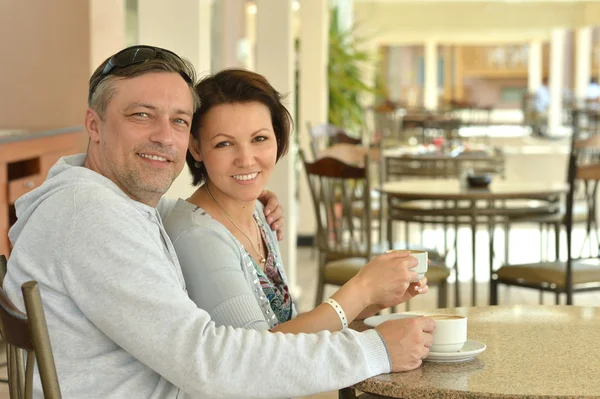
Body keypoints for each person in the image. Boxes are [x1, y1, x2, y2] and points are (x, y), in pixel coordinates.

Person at [3, 45, 434, 398]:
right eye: (141, 115)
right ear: (94, 124)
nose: (163, 136)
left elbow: (161, 217)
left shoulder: (97, 201)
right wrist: (373, 350)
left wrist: (241, 199)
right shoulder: (92, 218)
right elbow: (209, 363)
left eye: (179, 121)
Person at [164, 68, 429, 334]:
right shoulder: (197, 235)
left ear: (278, 139)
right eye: (224, 144)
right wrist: (362, 288)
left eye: (259, 139)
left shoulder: (259, 212)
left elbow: (290, 329)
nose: (246, 159)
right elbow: (258, 353)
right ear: (196, 148)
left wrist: (374, 299)